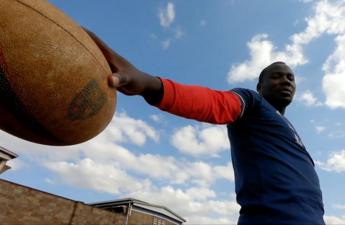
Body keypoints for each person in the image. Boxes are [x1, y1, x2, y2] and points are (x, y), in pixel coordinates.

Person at [86, 30, 325, 225]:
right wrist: (150, 84)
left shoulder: (288, 127)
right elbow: (215, 103)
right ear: (260, 86)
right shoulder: (253, 102)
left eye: (291, 78)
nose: (286, 80)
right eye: (277, 76)